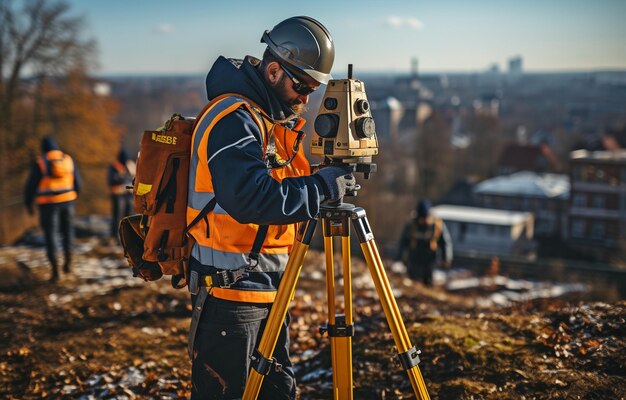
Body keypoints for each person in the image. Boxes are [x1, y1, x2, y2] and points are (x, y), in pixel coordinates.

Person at [186, 16, 354, 400]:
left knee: (279, 392)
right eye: (303, 86)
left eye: (314, 88)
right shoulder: (233, 120)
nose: (307, 98)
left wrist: (319, 177)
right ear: (274, 70)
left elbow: (277, 185)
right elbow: (249, 197)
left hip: (268, 293)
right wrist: (319, 187)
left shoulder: (269, 122)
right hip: (230, 297)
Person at [24, 135, 81, 282]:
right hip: (68, 202)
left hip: (48, 205)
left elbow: (30, 186)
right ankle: (69, 263)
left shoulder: (41, 162)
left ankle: (56, 271)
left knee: (51, 235)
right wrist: (76, 195)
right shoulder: (68, 159)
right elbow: (78, 182)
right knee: (68, 232)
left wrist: (28, 204)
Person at [397, 199, 453, 286]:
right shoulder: (411, 225)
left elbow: (445, 242)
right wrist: (400, 256)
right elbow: (403, 241)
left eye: (425, 218)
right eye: (422, 218)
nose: (424, 220)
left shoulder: (437, 225)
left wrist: (446, 258)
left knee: (428, 282)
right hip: (414, 258)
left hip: (430, 258)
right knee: (412, 281)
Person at [107, 147, 135, 239]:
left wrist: (132, 170)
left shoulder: (130, 166)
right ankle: (116, 236)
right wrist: (121, 176)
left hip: (129, 195)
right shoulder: (114, 167)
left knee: (129, 216)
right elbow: (112, 181)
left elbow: (134, 179)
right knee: (117, 216)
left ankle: (128, 236)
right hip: (118, 195)